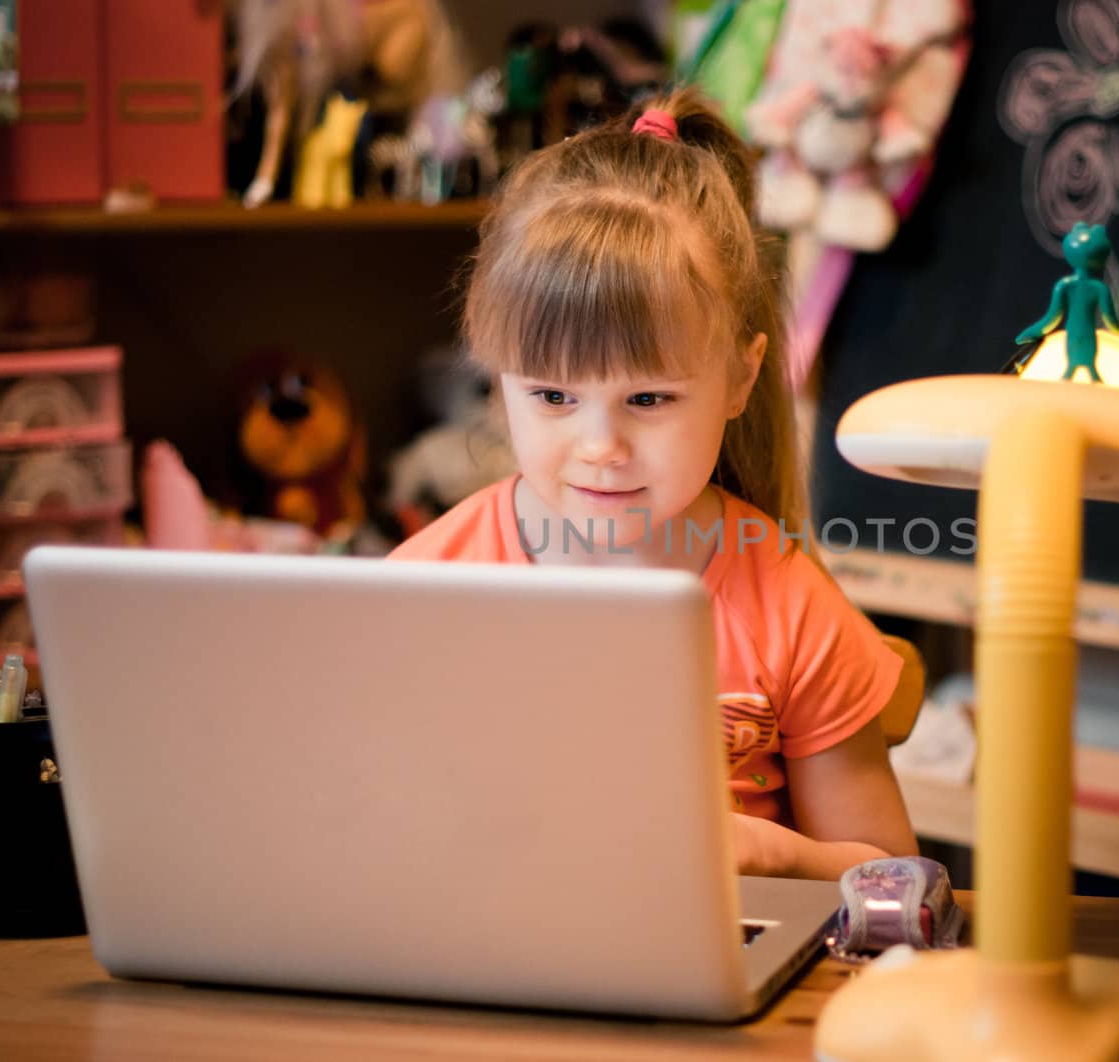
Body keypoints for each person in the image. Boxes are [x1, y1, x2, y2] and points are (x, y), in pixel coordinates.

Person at [390, 86, 918, 880]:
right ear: (499, 379)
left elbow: (896, 880)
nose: (601, 446)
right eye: (554, 397)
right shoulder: (417, 590)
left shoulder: (786, 602)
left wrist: (772, 852)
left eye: (648, 399)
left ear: (740, 381)